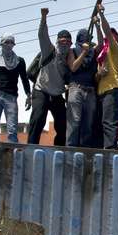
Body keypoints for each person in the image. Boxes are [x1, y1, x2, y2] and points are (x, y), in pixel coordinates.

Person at [28, 8, 69, 146]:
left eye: (68, 42)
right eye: (62, 41)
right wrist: (43, 17)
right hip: (42, 91)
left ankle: (59, 150)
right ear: (57, 41)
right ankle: (31, 147)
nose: (65, 45)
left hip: (57, 95)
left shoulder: (70, 58)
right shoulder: (49, 50)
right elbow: (42, 34)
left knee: (63, 124)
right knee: (38, 119)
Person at [67, 23, 103, 148]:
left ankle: (85, 149)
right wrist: (83, 53)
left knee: (88, 123)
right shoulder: (72, 51)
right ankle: (71, 148)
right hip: (76, 88)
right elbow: (73, 67)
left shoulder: (93, 52)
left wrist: (98, 26)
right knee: (75, 121)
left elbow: (101, 44)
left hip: (90, 91)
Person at [94, 4, 118, 150]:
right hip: (103, 90)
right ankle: (107, 147)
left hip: (112, 87)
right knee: (105, 121)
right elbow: (101, 39)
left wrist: (101, 15)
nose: (108, 37)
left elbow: (106, 32)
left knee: (109, 122)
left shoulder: (114, 48)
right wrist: (96, 26)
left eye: (111, 36)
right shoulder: (103, 53)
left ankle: (110, 149)